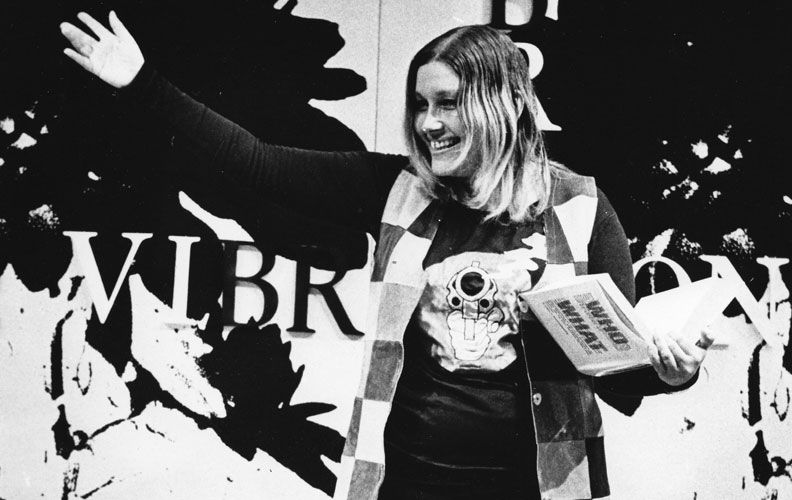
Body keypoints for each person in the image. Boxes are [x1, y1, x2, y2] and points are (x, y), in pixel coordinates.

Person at [60, 11, 714, 500]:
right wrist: (142, 83)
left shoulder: (582, 207)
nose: (428, 123)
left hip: (536, 487)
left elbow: (618, 368)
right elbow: (256, 163)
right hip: (405, 481)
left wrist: (672, 371)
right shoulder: (396, 188)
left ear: (505, 104)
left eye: (448, 104)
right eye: (421, 105)